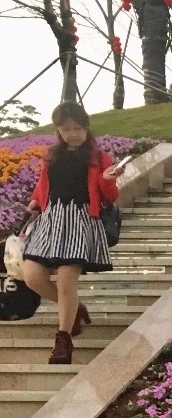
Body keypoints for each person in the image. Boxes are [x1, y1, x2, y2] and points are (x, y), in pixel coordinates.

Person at [22, 102, 124, 364]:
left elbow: (110, 196)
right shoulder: (51, 155)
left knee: (67, 282)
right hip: (51, 221)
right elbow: (44, 185)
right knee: (32, 276)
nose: (72, 134)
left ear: (86, 127)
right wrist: (36, 201)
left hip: (81, 222)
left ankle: (63, 340)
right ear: (58, 129)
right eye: (66, 129)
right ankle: (75, 308)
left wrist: (109, 178)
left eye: (77, 128)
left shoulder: (100, 158)